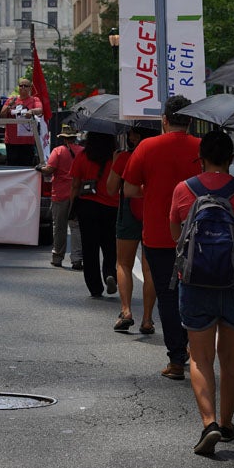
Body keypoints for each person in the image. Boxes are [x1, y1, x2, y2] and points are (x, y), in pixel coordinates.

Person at [169, 131, 234, 456]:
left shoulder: (184, 189)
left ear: (202, 157)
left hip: (195, 282)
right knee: (231, 358)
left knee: (200, 357)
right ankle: (226, 423)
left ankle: (208, 422)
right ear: (232, 157)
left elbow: (175, 235)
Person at [122, 94, 201, 380]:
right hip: (197, 234)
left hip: (158, 234)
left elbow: (129, 190)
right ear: (191, 120)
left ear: (164, 120)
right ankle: (195, 350)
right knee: (194, 293)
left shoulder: (146, 147)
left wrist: (152, 190)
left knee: (168, 297)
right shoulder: (202, 148)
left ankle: (176, 360)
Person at [107, 124, 158, 334]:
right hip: (153, 211)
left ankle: (126, 311)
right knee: (149, 269)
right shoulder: (157, 156)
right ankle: (147, 319)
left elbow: (111, 190)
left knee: (124, 263)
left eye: (131, 132)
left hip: (128, 212)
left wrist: (114, 163)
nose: (129, 135)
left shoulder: (123, 158)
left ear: (136, 136)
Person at [69, 131, 120, 298]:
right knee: (110, 245)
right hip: (111, 206)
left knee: (89, 249)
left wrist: (72, 206)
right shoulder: (115, 158)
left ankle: (95, 287)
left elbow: (75, 184)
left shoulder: (83, 156)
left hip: (87, 206)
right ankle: (109, 273)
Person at [38, 123, 83, 269]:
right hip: (77, 194)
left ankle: (57, 257)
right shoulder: (83, 151)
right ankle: (77, 259)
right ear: (74, 138)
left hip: (60, 194)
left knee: (59, 227)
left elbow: (49, 170)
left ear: (64, 138)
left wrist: (39, 168)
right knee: (76, 227)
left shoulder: (58, 151)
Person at [2, 79, 44, 166]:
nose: (23, 87)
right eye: (21, 85)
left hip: (27, 141)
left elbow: (40, 110)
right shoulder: (11, 99)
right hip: (11, 141)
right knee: (12, 167)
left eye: (26, 86)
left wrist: (31, 111)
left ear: (30, 88)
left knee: (26, 166)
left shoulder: (34, 99)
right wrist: (9, 105)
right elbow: (2, 115)